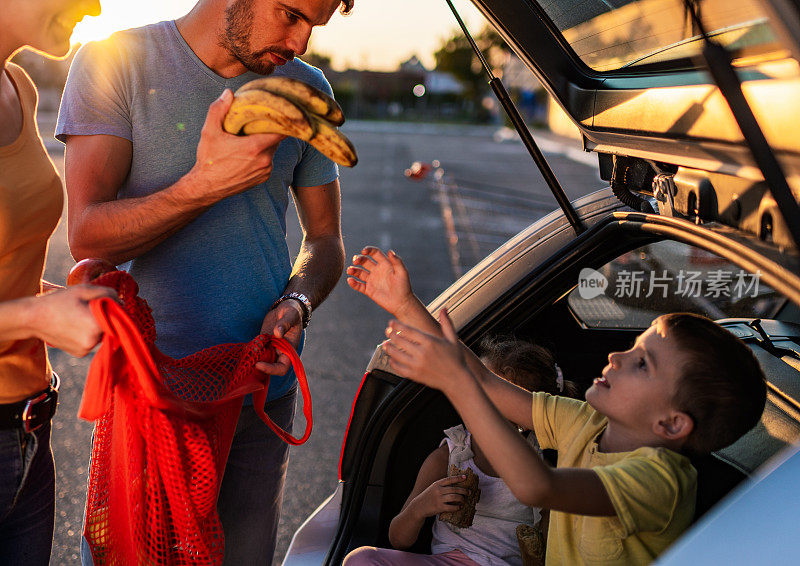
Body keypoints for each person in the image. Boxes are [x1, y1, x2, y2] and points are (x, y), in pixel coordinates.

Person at [55, 0, 352, 563]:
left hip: (261, 390)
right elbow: (88, 234)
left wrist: (298, 301)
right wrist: (204, 185)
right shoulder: (116, 61)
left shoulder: (304, 88)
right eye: (292, 14)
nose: (302, 42)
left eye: (314, 25)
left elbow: (325, 240)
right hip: (153, 391)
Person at [347, 246, 767, 564]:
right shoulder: (585, 422)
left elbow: (538, 487)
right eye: (631, 348)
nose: (617, 357)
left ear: (671, 424)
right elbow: (482, 379)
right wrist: (404, 304)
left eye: (642, 364)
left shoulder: (659, 482)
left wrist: (455, 383)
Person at [0, 1, 118, 563]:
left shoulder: (18, 86)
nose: (93, 5)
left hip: (26, 430)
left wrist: (64, 301)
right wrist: (36, 320)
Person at [344, 335, 579, 566]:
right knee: (361, 558)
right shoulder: (448, 457)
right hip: (444, 560)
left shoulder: (539, 471)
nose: (473, 402)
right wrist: (421, 508)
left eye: (489, 399)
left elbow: (553, 546)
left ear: (525, 417)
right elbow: (398, 539)